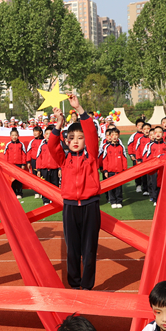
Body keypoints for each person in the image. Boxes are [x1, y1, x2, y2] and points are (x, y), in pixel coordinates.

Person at [48, 95, 100, 291]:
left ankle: (87, 286)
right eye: (71, 138)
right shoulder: (63, 159)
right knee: (73, 251)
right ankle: (74, 284)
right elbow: (52, 145)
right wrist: (59, 124)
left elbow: (92, 132)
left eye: (80, 138)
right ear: (66, 141)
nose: (76, 141)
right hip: (70, 207)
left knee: (89, 250)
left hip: (90, 206)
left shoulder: (92, 157)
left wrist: (79, 109)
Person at [100, 127, 128, 208]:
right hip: (110, 171)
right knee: (111, 187)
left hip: (119, 171)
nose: (115, 136)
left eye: (116, 134)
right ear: (110, 136)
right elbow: (105, 160)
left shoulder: (121, 147)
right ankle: (112, 201)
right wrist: (105, 170)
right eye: (113, 135)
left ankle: (119, 201)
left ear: (118, 135)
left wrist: (124, 170)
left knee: (119, 187)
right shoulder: (107, 148)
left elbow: (124, 159)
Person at [35, 125, 59, 206]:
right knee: (45, 185)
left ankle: (54, 199)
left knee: (54, 185)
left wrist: (59, 168)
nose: (48, 135)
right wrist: (38, 170)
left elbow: (60, 158)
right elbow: (38, 158)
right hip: (44, 169)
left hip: (54, 169)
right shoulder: (42, 146)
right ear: (44, 135)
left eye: (50, 134)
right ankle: (46, 200)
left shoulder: (57, 146)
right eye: (47, 133)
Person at [4, 128, 27, 199]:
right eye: (12, 135)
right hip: (11, 165)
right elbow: (5, 155)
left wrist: (23, 164)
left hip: (19, 165)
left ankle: (19, 193)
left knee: (19, 180)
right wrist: (6, 165)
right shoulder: (8, 145)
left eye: (16, 135)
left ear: (18, 136)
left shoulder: (21, 144)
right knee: (12, 180)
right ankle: (13, 193)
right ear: (10, 136)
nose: (14, 137)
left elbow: (24, 155)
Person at [26, 126, 44, 199]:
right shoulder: (32, 141)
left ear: (40, 132)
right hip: (34, 161)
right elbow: (29, 152)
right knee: (35, 176)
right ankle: (36, 192)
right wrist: (28, 161)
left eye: (36, 131)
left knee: (43, 176)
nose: (35, 133)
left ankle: (43, 192)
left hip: (43, 161)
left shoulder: (44, 141)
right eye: (34, 131)